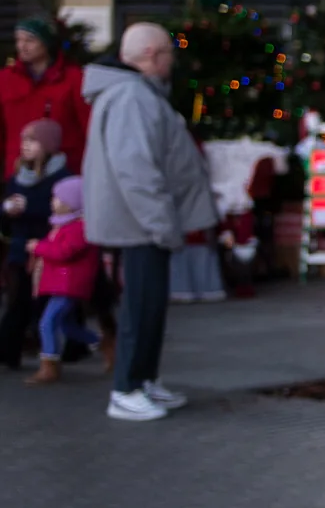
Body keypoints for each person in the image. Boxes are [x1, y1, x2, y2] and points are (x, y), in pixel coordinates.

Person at [81, 23, 216, 422]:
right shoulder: (132, 97)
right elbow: (137, 171)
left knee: (150, 305)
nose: (173, 61)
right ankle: (126, 388)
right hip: (139, 224)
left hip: (141, 222)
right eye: (170, 54)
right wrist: (161, 224)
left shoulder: (134, 94)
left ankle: (143, 380)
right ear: (153, 55)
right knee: (142, 306)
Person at [1, 117, 68, 369]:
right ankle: (8, 352)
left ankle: (54, 353)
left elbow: (64, 210)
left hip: (49, 249)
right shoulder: (18, 175)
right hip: (21, 248)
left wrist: (29, 208)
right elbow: (7, 212)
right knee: (17, 300)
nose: (25, 145)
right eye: (24, 140)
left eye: (33, 140)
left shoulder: (61, 177)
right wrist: (8, 209)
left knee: (45, 303)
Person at [25, 175, 101, 386]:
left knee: (47, 322)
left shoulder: (78, 227)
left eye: (57, 198)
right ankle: (101, 343)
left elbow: (64, 252)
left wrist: (38, 247)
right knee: (66, 324)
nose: (53, 202)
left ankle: (49, 364)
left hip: (69, 284)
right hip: (62, 283)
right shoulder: (64, 225)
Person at [1, 18, 87, 173]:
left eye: (30, 40)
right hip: (18, 172)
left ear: (47, 44)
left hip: (63, 171)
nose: (22, 46)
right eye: (18, 40)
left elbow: (88, 127)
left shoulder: (73, 79)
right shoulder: (6, 79)